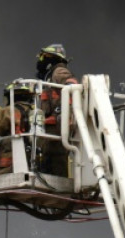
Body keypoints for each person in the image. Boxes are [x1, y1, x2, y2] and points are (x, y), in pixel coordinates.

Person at [35, 43, 78, 176]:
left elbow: (72, 85)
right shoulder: (49, 78)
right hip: (51, 136)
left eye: (44, 57)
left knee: (57, 169)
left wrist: (64, 112)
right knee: (49, 166)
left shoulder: (59, 71)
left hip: (56, 135)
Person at [0, 82, 33, 176]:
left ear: (11, 97)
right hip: (28, 159)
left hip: (8, 163)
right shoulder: (33, 111)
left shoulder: (8, 111)